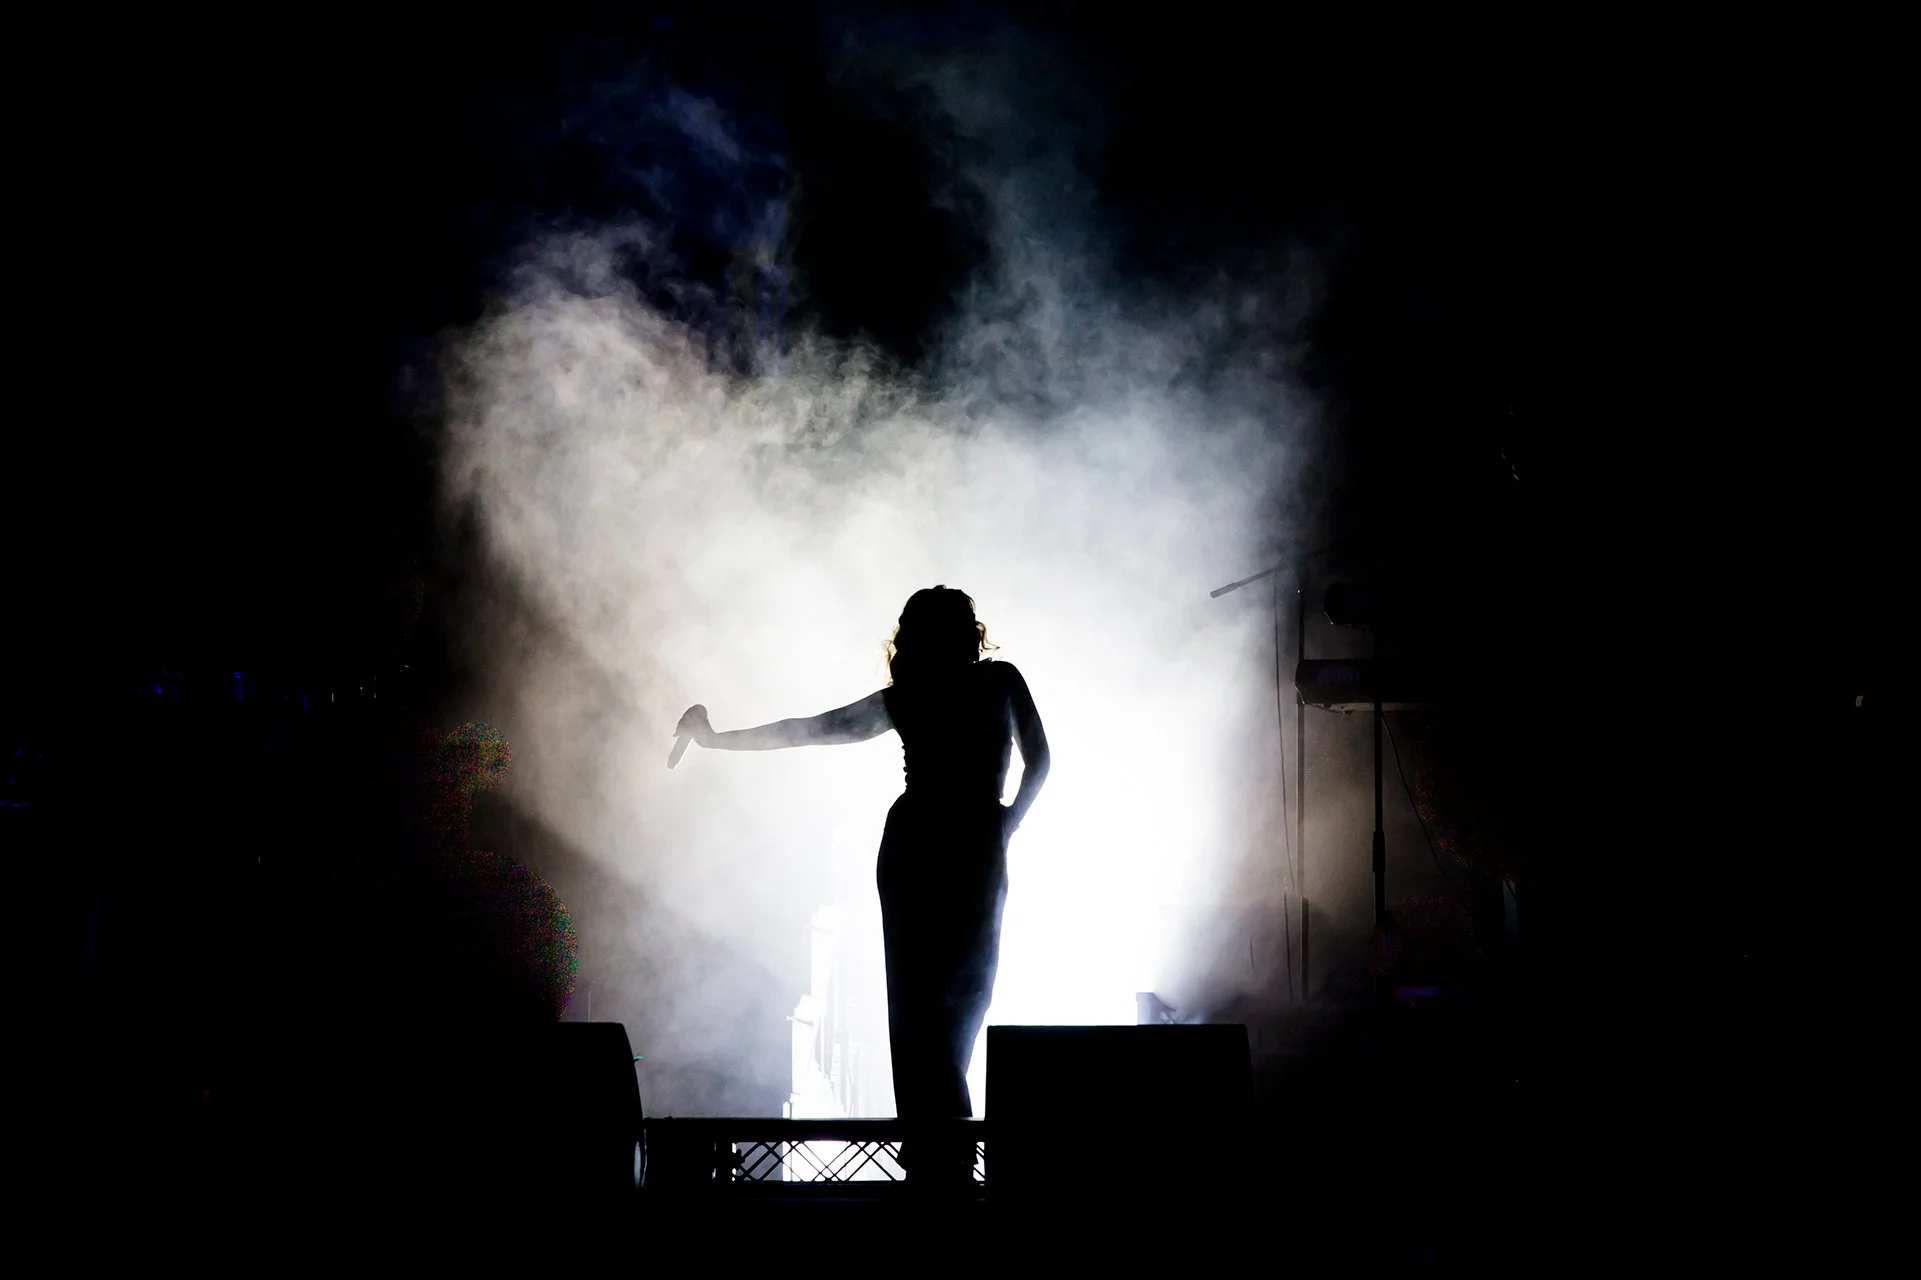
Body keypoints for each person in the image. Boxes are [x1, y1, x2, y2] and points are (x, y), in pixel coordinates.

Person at [674, 586, 1050, 1186]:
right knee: (941, 1012)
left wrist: (717, 739)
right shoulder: (987, 683)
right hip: (957, 844)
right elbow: (1040, 760)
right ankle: (943, 1163)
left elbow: (808, 730)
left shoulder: (947, 691)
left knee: (938, 1011)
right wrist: (1007, 820)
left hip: (935, 842)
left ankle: (937, 1158)